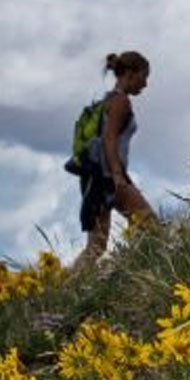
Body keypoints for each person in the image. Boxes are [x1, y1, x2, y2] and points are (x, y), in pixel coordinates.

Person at [71, 51, 159, 272]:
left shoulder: (107, 100)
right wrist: (118, 176)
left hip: (95, 179)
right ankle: (138, 272)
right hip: (110, 178)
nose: (145, 84)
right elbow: (110, 139)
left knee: (96, 247)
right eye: (144, 76)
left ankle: (59, 290)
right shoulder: (121, 101)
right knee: (151, 226)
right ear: (130, 73)